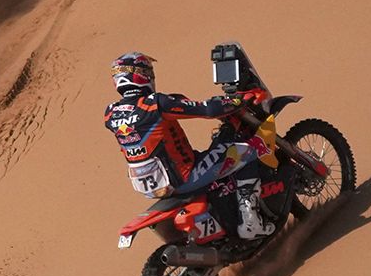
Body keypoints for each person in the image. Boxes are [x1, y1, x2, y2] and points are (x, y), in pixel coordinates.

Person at [103, 52, 279, 241]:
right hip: (184, 177)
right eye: (148, 71)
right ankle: (251, 222)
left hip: (151, 187)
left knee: (218, 146)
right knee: (248, 150)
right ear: (141, 75)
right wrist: (238, 100)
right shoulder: (156, 105)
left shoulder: (110, 113)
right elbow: (208, 110)